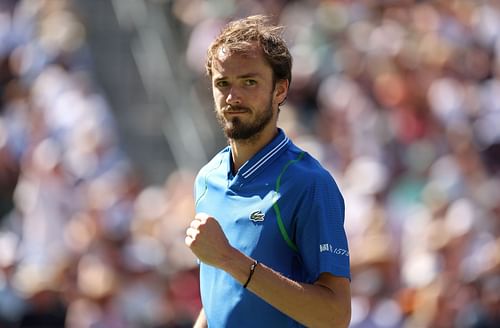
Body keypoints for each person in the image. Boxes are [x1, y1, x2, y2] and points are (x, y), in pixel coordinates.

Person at [185, 15, 351, 328]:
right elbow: (223, 295)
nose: (233, 97)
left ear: (280, 89)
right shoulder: (207, 179)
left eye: (249, 82)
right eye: (222, 84)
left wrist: (229, 258)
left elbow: (335, 316)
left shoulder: (310, 184)